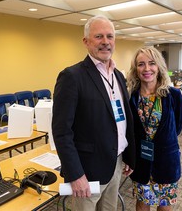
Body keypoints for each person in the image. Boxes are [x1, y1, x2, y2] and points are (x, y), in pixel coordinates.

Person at [52, 15, 136, 211]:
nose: (105, 42)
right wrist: (75, 175)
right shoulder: (72, 77)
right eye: (99, 36)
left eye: (110, 36)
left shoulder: (118, 75)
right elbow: (62, 132)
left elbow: (123, 120)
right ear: (86, 41)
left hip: (117, 161)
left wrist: (129, 156)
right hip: (87, 170)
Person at [126, 46, 182, 211]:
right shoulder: (131, 97)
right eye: (141, 64)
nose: (147, 69)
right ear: (135, 69)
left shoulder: (173, 95)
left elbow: (177, 127)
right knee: (142, 204)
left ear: (159, 66)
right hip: (141, 161)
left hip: (167, 161)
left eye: (151, 63)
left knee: (165, 206)